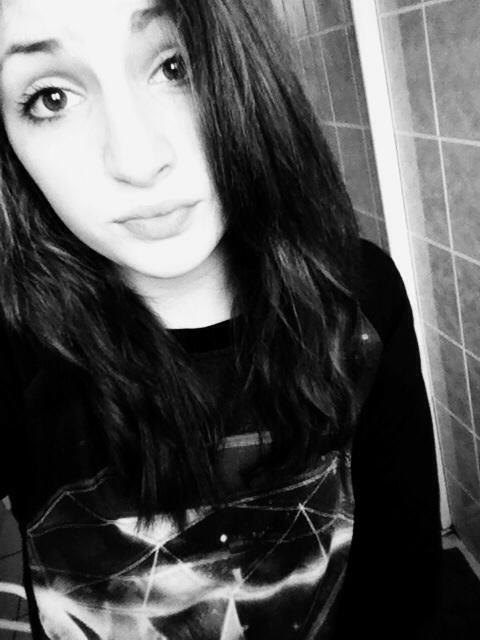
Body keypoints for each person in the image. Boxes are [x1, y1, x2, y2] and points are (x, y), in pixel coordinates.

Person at [0, 0, 441, 638]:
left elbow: (403, 591)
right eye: (51, 98)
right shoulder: (14, 344)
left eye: (175, 65)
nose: (138, 160)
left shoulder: (358, 298)